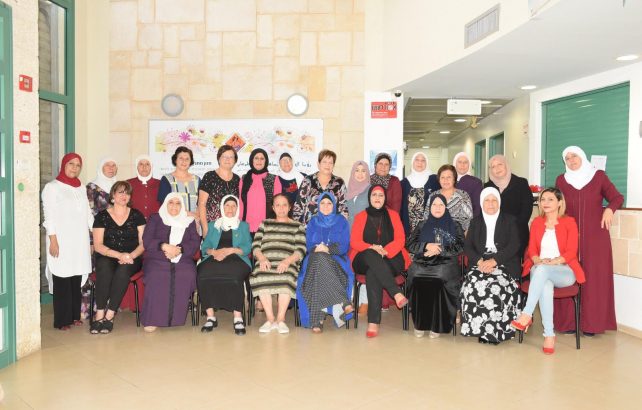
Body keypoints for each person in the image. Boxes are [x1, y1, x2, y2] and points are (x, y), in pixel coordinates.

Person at [555, 146, 623, 336]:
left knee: (594, 279)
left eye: (574, 156)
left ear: (582, 157)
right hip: (569, 238)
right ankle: (568, 322)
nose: (571, 160)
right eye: (567, 158)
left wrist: (609, 209)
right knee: (568, 276)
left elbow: (617, 197)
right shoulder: (561, 180)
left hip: (596, 238)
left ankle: (591, 325)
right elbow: (557, 205)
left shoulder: (598, 176)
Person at [512, 188, 586, 354]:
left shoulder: (569, 222)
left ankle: (526, 314)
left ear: (560, 203)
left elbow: (571, 251)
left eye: (550, 199)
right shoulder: (537, 222)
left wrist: (554, 262)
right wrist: (537, 259)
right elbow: (532, 249)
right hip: (540, 268)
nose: (545, 203)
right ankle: (549, 335)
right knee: (544, 283)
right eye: (543, 199)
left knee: (543, 272)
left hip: (564, 270)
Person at [460, 187, 522, 344]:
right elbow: (468, 247)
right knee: (475, 284)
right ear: (482, 203)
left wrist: (494, 261)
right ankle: (481, 330)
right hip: (480, 262)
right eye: (487, 200)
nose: (491, 204)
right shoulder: (475, 222)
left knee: (496, 286)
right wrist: (480, 262)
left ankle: (497, 331)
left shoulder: (510, 220)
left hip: (504, 262)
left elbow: (514, 245)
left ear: (499, 202)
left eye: (494, 200)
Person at [349, 185, 411, 338]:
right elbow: (355, 241)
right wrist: (372, 248)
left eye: (381, 195)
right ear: (369, 197)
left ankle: (373, 322)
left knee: (373, 272)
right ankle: (396, 293)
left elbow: (400, 239)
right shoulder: (360, 216)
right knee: (371, 255)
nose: (377, 198)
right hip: (364, 257)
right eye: (374, 195)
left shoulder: (393, 215)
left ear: (385, 198)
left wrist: (385, 251)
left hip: (391, 257)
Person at [41, 153, 93, 330]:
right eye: (71, 164)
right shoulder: (52, 187)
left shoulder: (81, 187)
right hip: (61, 239)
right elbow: (49, 217)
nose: (74, 168)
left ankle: (74, 316)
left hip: (79, 240)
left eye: (78, 165)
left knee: (75, 277)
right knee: (62, 277)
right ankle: (62, 320)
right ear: (64, 164)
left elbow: (87, 214)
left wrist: (95, 235)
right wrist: (53, 241)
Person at [91, 181, 146, 334]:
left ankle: (110, 314)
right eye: (120, 192)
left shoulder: (137, 215)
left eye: (127, 193)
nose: (124, 195)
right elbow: (98, 245)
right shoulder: (102, 216)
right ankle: (99, 313)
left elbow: (143, 243)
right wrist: (119, 255)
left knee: (123, 271)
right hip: (108, 255)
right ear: (113, 196)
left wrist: (131, 255)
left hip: (132, 257)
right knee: (104, 267)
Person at [140, 193, 200, 332]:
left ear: (182, 206)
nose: (174, 206)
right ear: (165, 204)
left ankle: (177, 317)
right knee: (156, 275)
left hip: (182, 258)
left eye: (178, 203)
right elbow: (147, 240)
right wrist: (164, 246)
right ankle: (153, 319)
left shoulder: (189, 221)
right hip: (157, 258)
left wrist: (180, 249)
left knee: (187, 274)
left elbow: (194, 242)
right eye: (171, 202)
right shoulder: (155, 218)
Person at [406, 194, 464, 338]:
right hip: (423, 260)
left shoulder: (455, 225)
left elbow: (461, 246)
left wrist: (440, 249)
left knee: (439, 277)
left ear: (446, 207)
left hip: (446, 261)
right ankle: (421, 323)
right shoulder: (422, 224)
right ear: (429, 207)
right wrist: (426, 246)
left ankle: (438, 324)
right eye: (434, 205)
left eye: (441, 205)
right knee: (416, 277)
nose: (437, 208)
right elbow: (410, 244)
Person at [297, 193, 354, 332]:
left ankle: (317, 318)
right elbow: (309, 245)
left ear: (334, 205)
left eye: (329, 203)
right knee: (319, 258)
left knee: (320, 264)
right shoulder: (313, 222)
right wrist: (318, 249)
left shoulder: (341, 221)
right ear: (318, 206)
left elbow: (344, 245)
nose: (326, 206)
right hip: (314, 256)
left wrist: (328, 249)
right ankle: (343, 300)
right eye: (322, 203)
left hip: (336, 258)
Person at [251, 194, 306, 334]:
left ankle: (281, 319)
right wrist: (262, 258)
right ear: (273, 208)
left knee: (286, 277)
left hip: (287, 262)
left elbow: (300, 249)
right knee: (259, 275)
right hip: (266, 261)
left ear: (290, 207)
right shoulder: (265, 223)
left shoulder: (297, 226)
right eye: (278, 205)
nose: (281, 208)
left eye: (284, 205)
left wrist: (287, 261)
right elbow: (256, 245)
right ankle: (270, 319)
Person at [197, 195, 252, 336]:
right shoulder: (213, 225)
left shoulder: (243, 225)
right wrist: (214, 252)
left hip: (237, 257)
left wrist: (231, 250)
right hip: (214, 256)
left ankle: (238, 317)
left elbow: (247, 247)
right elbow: (205, 247)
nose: (230, 209)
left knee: (234, 275)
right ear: (222, 207)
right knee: (203, 273)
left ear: (237, 209)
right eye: (227, 205)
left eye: (233, 206)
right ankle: (210, 317)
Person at [485, 154, 533, 255]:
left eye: (500, 164)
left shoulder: (521, 183)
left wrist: (511, 229)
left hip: (517, 232)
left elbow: (526, 210)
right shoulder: (487, 186)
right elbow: (485, 211)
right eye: (493, 166)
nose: (497, 168)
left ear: (506, 165)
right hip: (494, 233)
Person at [293, 149, 348, 225]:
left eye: (330, 163)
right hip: (310, 228)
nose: (327, 165)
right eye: (324, 162)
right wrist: (297, 227)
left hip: (332, 228)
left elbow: (344, 208)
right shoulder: (308, 180)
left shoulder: (339, 182)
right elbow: (298, 206)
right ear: (318, 164)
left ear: (333, 165)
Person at [345, 160, 372, 316]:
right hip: (347, 236)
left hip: (364, 237)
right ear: (352, 173)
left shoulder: (370, 190)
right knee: (348, 268)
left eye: (363, 171)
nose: (360, 174)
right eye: (357, 170)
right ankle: (349, 299)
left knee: (364, 268)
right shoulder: (347, 190)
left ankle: (364, 301)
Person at [198, 144, 240, 237]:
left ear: (235, 160)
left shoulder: (238, 179)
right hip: (212, 228)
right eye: (224, 156)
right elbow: (201, 204)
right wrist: (205, 228)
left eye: (231, 157)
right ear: (219, 159)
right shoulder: (209, 176)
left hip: (232, 229)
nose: (227, 159)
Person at [239, 148, 282, 235]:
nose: (259, 161)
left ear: (266, 161)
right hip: (247, 226)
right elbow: (241, 203)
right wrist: (240, 223)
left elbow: (277, 204)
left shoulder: (274, 179)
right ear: (252, 160)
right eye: (256, 158)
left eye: (262, 158)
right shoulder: (244, 179)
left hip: (267, 227)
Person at [400, 152, 440, 235]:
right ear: (412, 162)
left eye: (423, 160)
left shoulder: (434, 180)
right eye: (417, 160)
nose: (420, 163)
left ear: (427, 163)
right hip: (409, 228)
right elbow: (401, 207)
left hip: (430, 227)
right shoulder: (404, 183)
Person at [426, 165, 473, 231]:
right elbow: (426, 218)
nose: (445, 180)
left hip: (458, 235)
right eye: (442, 177)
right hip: (435, 235)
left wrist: (464, 237)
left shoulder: (463, 196)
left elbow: (469, 221)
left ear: (454, 179)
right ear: (439, 180)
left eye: (449, 177)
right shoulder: (433, 196)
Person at [158, 146, 200, 218]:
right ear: (175, 160)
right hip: (173, 221)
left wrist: (197, 217)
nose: (184, 161)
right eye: (181, 158)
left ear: (191, 161)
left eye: (187, 159)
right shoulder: (167, 179)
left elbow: (201, 203)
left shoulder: (197, 180)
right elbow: (164, 204)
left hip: (194, 222)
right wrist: (189, 214)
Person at [127, 155, 161, 220]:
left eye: (147, 164)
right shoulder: (128, 183)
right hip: (134, 222)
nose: (144, 167)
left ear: (151, 167)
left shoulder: (160, 184)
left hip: (155, 222)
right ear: (137, 167)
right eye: (141, 164)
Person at [453, 151, 483, 217]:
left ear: (469, 165)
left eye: (465, 162)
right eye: (459, 162)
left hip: (469, 220)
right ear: (455, 164)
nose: (462, 165)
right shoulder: (449, 181)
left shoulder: (476, 182)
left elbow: (477, 207)